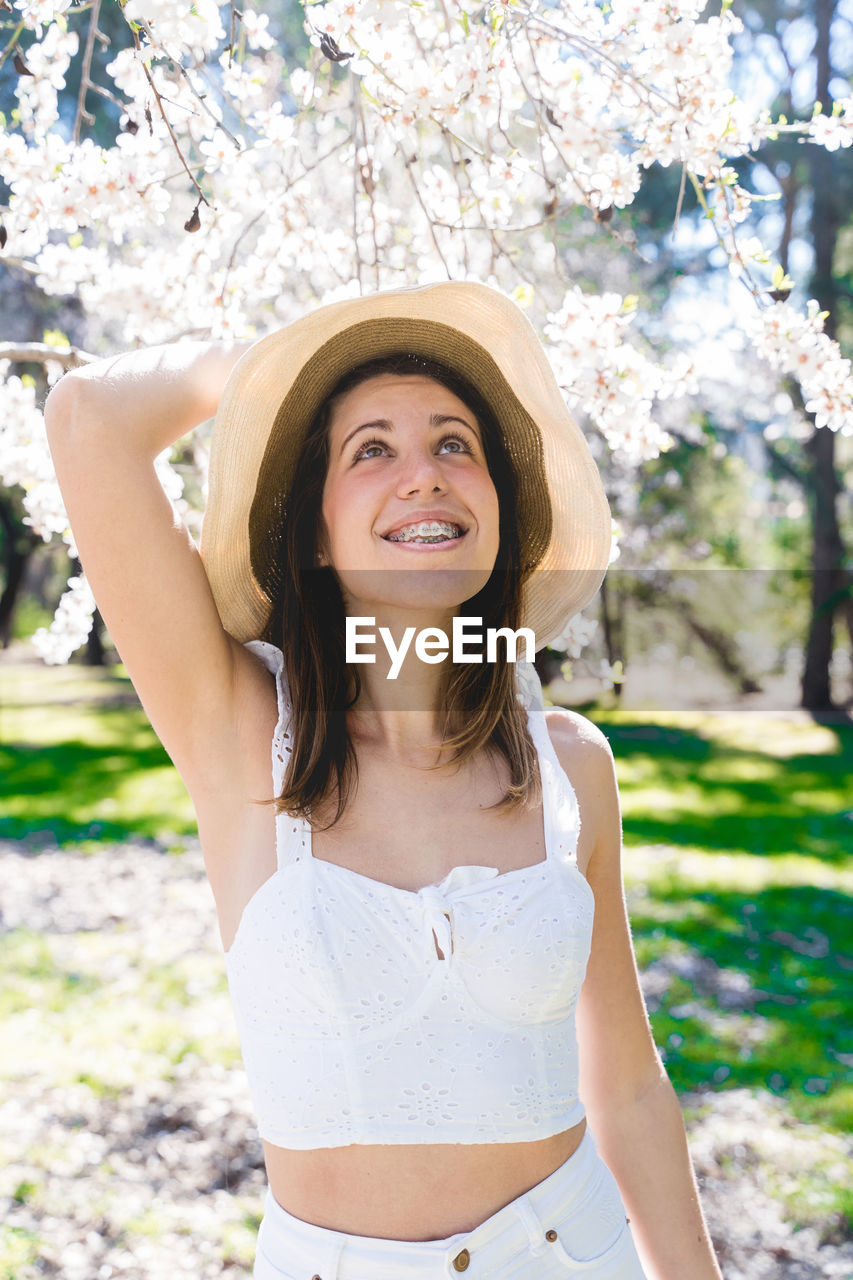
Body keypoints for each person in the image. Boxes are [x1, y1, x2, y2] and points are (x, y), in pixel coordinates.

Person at [44, 281, 723, 1280]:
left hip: (574, 1252)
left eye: (456, 444)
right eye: (372, 449)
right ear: (316, 533)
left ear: (498, 512)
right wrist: (272, 365)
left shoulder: (573, 765)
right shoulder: (241, 736)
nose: (424, 475)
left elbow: (625, 1083)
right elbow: (88, 416)